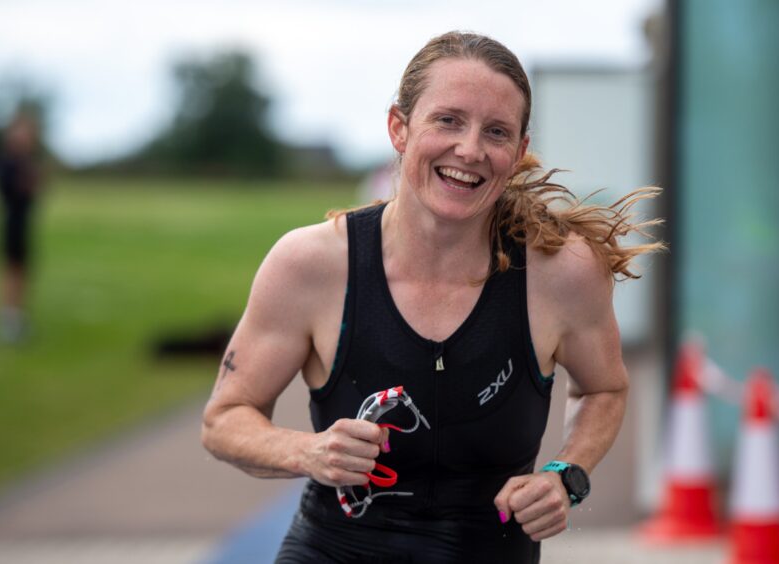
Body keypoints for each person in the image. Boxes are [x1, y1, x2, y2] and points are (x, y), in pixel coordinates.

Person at [202, 31, 662, 563]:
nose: (469, 149)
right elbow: (224, 420)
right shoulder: (312, 264)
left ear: (519, 152)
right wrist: (306, 450)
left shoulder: (561, 272)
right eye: (448, 120)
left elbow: (604, 389)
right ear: (399, 127)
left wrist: (566, 475)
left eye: (496, 131)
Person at [0, 110, 41, 343]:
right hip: (13, 223)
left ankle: (17, 315)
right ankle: (10, 319)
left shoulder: (25, 162)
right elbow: (14, 192)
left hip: (24, 223)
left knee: (23, 270)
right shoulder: (9, 162)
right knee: (13, 271)